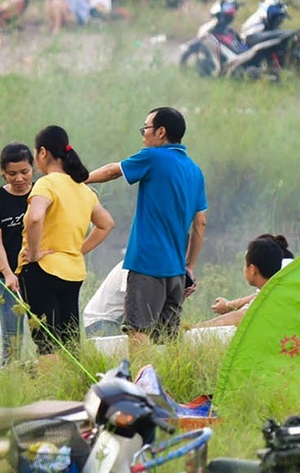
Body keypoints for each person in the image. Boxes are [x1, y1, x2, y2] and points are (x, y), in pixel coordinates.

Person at [86, 106, 208, 344]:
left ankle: (141, 382)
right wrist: (189, 266)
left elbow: (113, 171)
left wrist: (78, 178)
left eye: (146, 128)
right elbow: (201, 222)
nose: (143, 135)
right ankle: (165, 380)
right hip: (176, 271)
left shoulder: (154, 156)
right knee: (166, 339)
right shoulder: (195, 170)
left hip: (148, 263)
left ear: (161, 132)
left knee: (138, 331)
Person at [19, 125, 114, 353]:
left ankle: (50, 388)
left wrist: (33, 254)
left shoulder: (46, 183)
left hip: (42, 269)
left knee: (47, 344)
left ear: (43, 152)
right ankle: (72, 386)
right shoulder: (82, 189)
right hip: (72, 272)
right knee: (70, 341)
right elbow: (106, 224)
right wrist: (77, 250)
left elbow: (34, 218)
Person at [0, 143, 34, 362]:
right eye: (12, 174)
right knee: (12, 338)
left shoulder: (42, 193)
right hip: (7, 275)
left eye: (24, 172)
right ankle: (12, 375)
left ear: (33, 168)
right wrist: (7, 273)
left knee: (46, 333)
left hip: (39, 272)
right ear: (3, 173)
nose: (19, 179)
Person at [201, 234, 290, 327]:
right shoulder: (278, 289)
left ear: (252, 269)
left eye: (245, 264)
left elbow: (239, 317)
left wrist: (192, 328)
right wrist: (228, 305)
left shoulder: (268, 299)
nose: (244, 268)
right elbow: (255, 297)